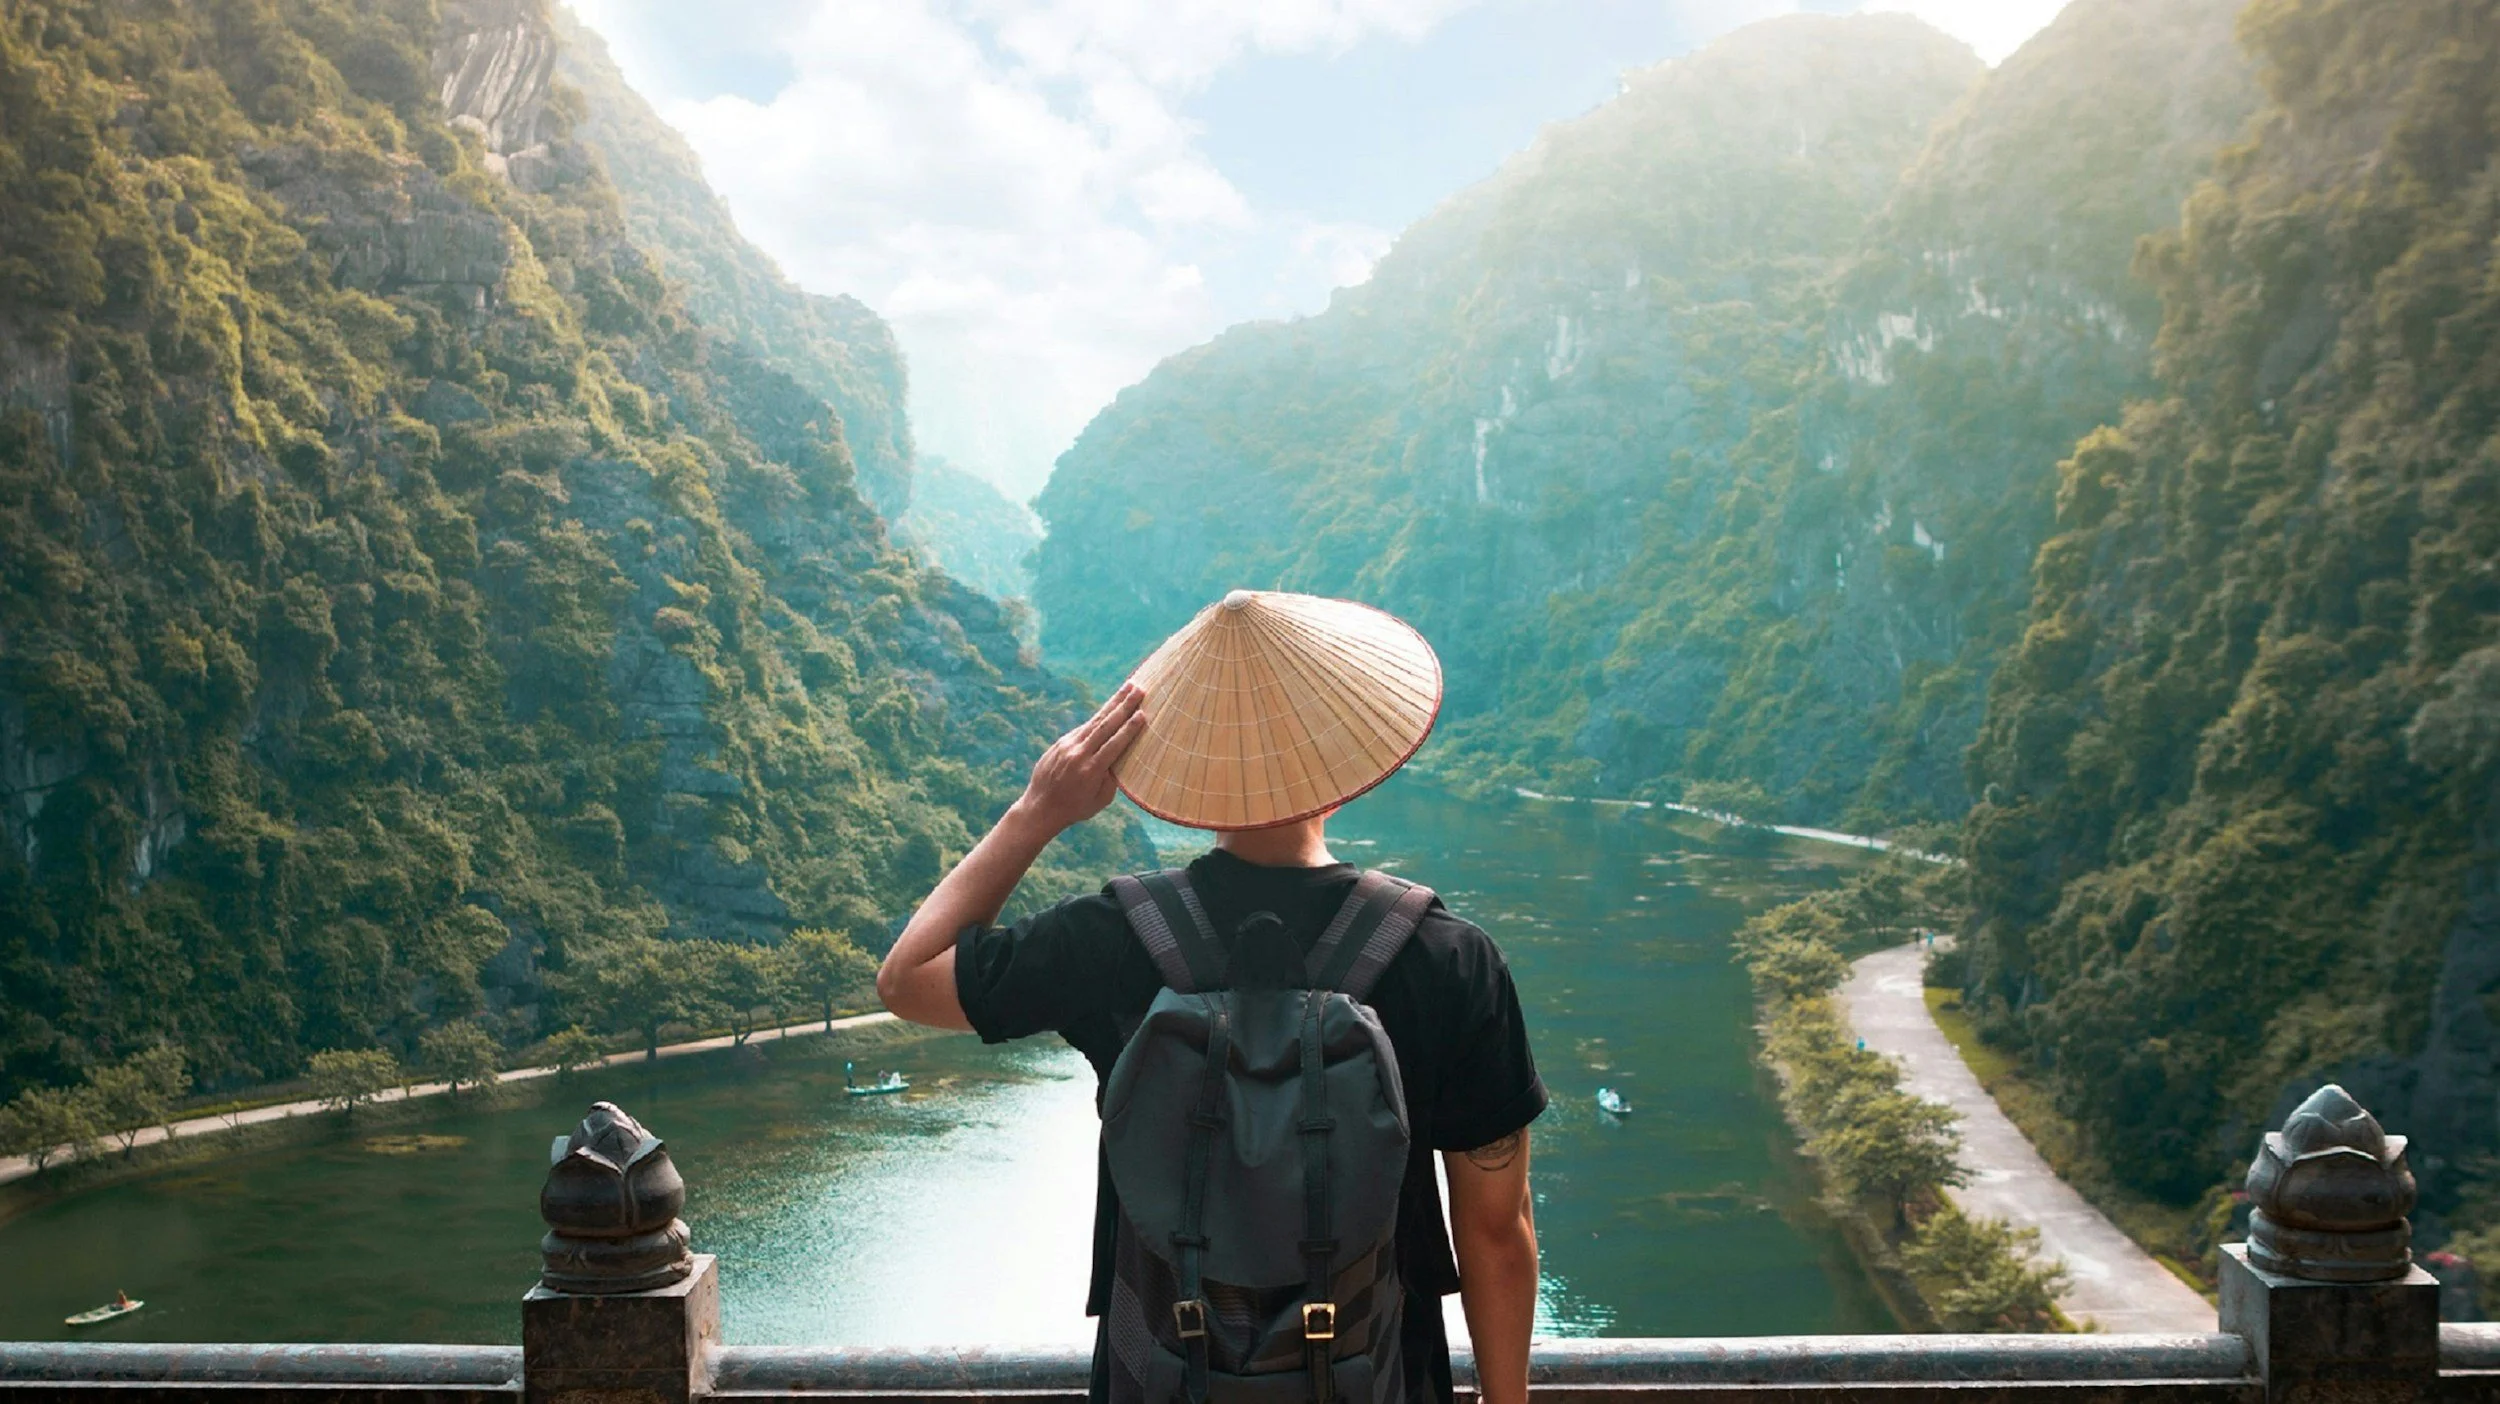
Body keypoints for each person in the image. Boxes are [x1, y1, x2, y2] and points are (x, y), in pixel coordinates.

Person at [879, 590, 1545, 1404]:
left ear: (1195, 779)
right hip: (1379, 1378)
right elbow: (1495, 1234)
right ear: (1342, 768)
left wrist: (1038, 812)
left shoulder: (1115, 938)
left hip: (1166, 1376)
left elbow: (908, 980)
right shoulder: (1448, 958)